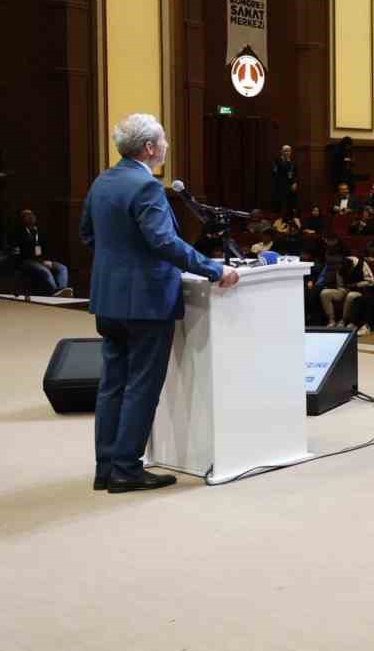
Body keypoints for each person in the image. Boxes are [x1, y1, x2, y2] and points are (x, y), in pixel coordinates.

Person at [80, 113, 240, 493]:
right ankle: (126, 468)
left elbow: (88, 235)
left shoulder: (103, 181)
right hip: (146, 303)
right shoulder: (146, 187)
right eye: (164, 141)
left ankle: (106, 466)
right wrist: (212, 270)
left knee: (112, 384)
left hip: (108, 299)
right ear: (149, 147)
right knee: (141, 385)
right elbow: (163, 242)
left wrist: (121, 264)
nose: (166, 146)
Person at [11, 208, 71, 296]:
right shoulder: (18, 232)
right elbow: (19, 252)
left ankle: (61, 291)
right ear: (22, 219)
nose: (30, 216)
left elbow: (46, 248)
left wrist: (48, 260)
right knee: (44, 270)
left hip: (41, 260)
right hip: (26, 261)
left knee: (62, 268)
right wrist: (39, 261)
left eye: (31, 214)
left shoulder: (39, 231)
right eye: (26, 215)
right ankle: (54, 292)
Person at [271, 144, 299, 214]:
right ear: (282, 152)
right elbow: (275, 173)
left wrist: (295, 182)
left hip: (290, 186)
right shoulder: (277, 161)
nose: (287, 153)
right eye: (285, 151)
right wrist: (286, 162)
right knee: (280, 205)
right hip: (280, 186)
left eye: (289, 151)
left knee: (291, 205)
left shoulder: (293, 162)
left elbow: (295, 174)